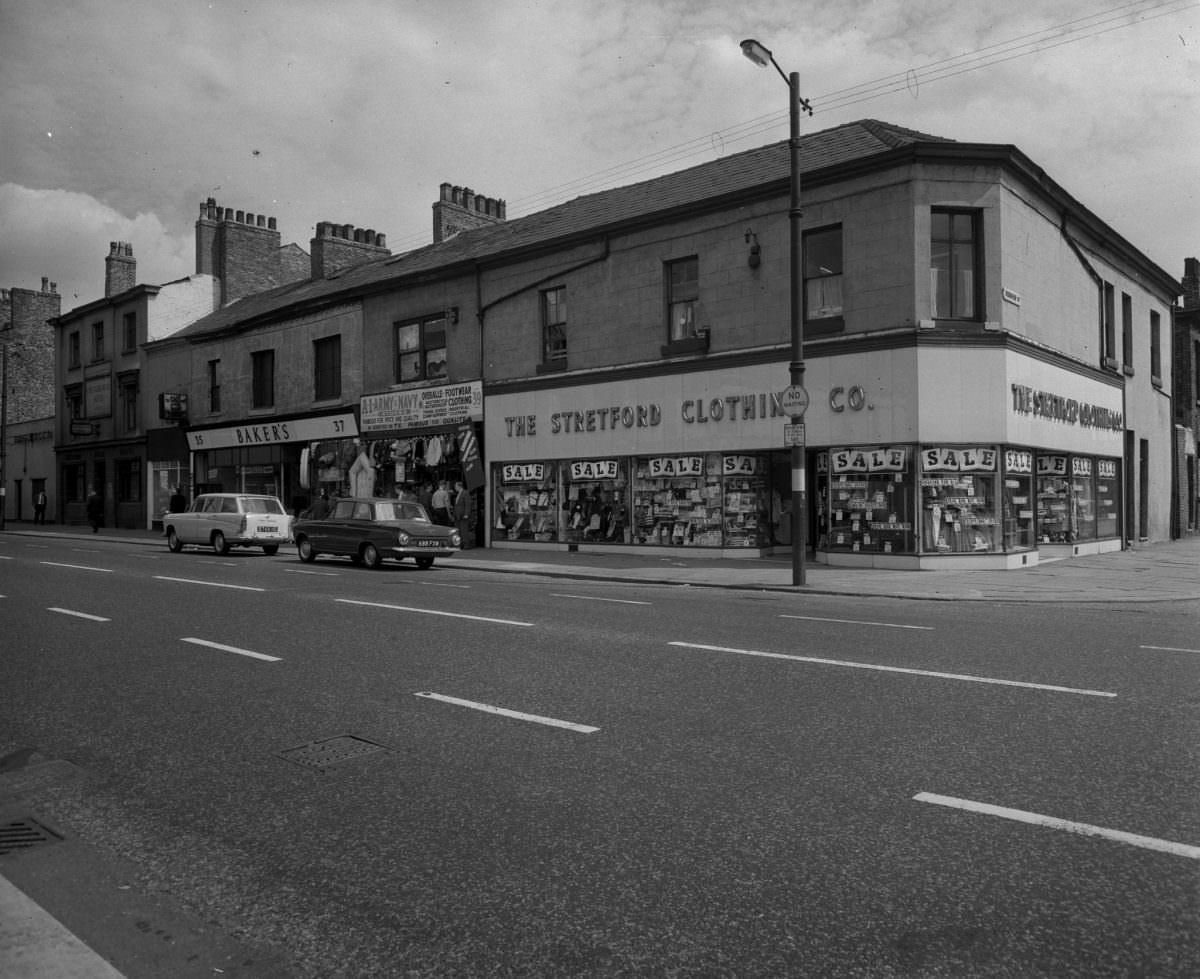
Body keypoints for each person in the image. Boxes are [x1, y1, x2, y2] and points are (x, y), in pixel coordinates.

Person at [453, 480, 472, 548]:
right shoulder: (458, 494)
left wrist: (466, 514)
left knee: (464, 530)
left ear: (459, 486)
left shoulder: (465, 493)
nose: (455, 487)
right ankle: (460, 544)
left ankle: (466, 544)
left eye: (455, 486)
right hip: (457, 515)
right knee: (459, 530)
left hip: (463, 515)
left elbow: (467, 504)